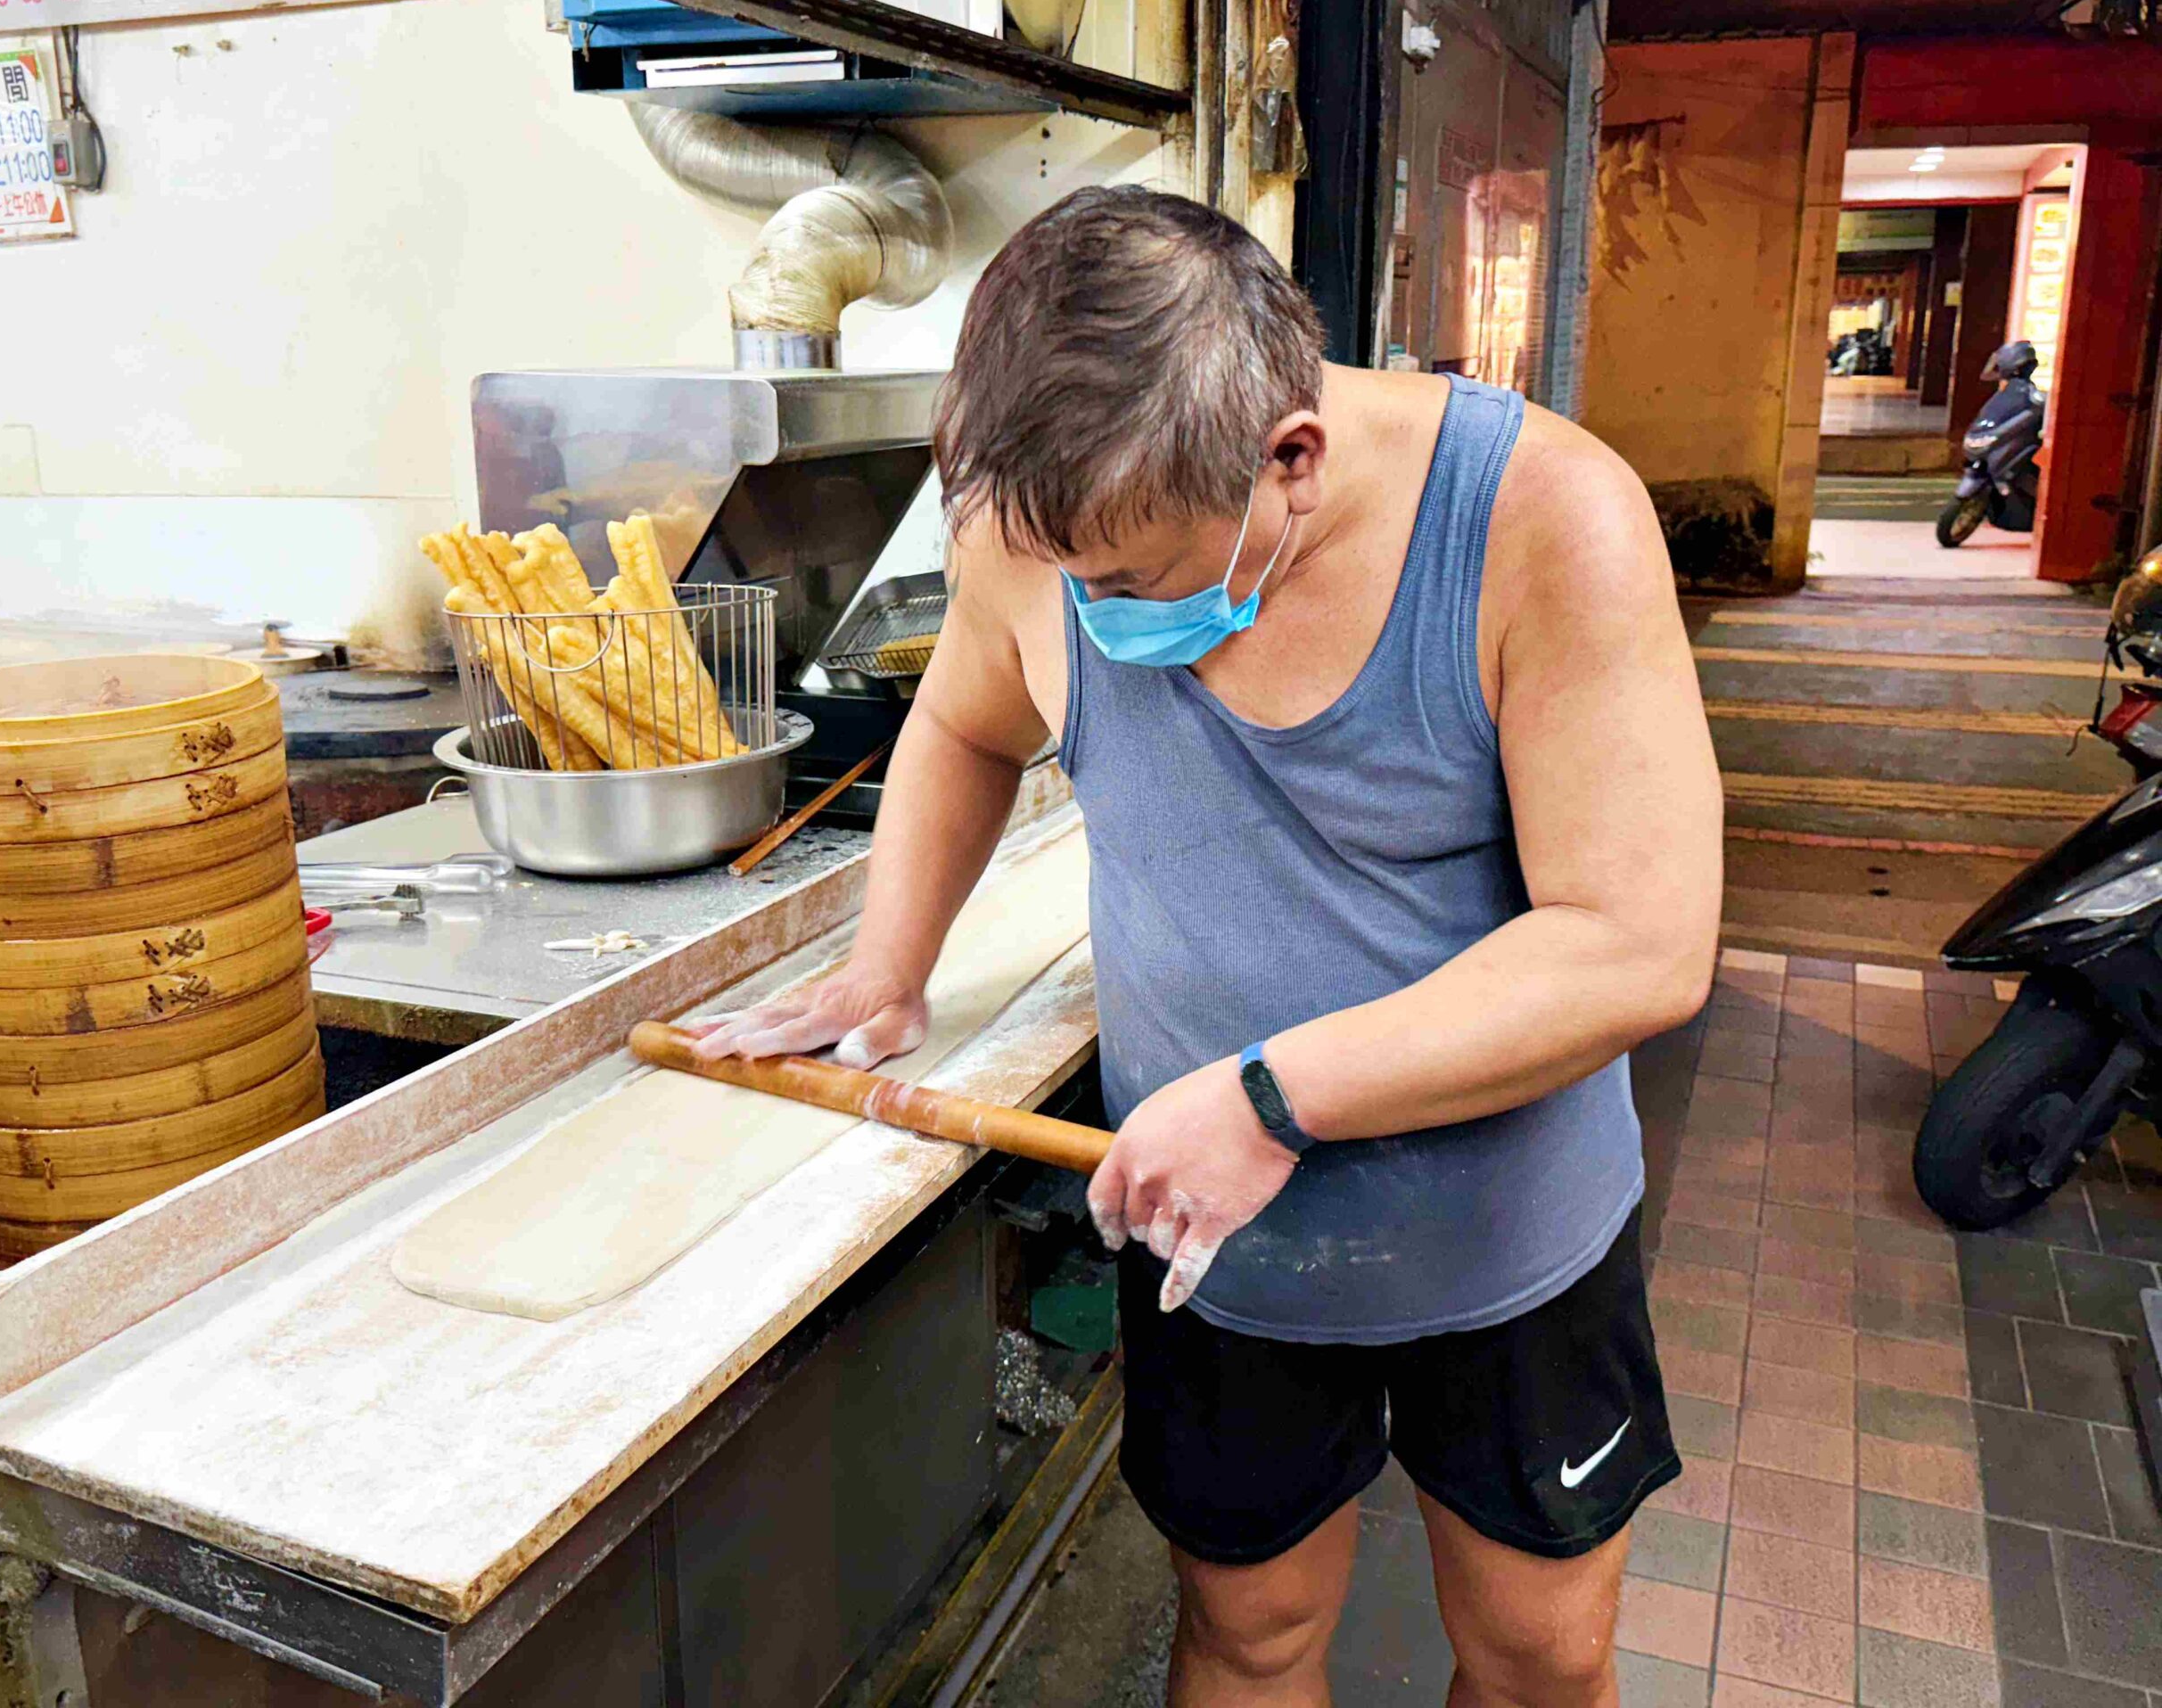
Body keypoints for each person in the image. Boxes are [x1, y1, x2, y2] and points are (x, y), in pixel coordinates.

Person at [698, 186, 1723, 1707]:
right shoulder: (1033, 528)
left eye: (1126, 581)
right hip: (1216, 1257)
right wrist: (884, 963)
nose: (1092, 615)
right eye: (1067, 580)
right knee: (1249, 1639)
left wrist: (1268, 1096)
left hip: (1505, 1238)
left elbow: (1637, 945)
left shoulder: (1541, 519)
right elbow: (964, 721)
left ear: (1288, 460)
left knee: (1539, 1658)